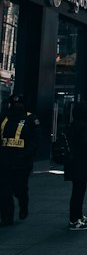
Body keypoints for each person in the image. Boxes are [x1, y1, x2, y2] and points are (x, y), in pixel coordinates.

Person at [0, 94, 42, 225]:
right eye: (14, 103)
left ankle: (23, 204)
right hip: (5, 161)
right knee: (4, 191)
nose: (16, 106)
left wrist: (27, 154)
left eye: (19, 104)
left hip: (22, 162)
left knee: (19, 189)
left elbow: (36, 140)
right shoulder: (4, 118)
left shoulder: (31, 119)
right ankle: (7, 218)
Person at [65, 99, 87, 230]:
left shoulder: (73, 124)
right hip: (81, 162)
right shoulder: (84, 126)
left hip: (72, 161)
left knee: (76, 190)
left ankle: (77, 216)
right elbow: (86, 144)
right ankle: (75, 219)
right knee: (79, 191)